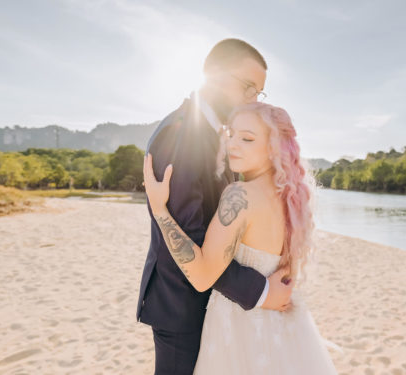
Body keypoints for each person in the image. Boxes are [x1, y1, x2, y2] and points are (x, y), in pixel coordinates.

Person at [135, 38, 295, 375]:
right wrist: (262, 292)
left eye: (259, 93)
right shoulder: (182, 134)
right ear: (214, 75)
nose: (253, 100)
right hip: (182, 308)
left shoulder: (216, 134)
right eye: (249, 88)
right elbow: (191, 238)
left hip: (210, 303)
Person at [143, 101, 338, 374]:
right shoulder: (292, 200)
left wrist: (160, 209)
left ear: (275, 149)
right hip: (282, 329)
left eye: (247, 139)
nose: (233, 144)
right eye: (231, 134)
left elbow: (201, 276)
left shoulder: (240, 195)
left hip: (236, 330)